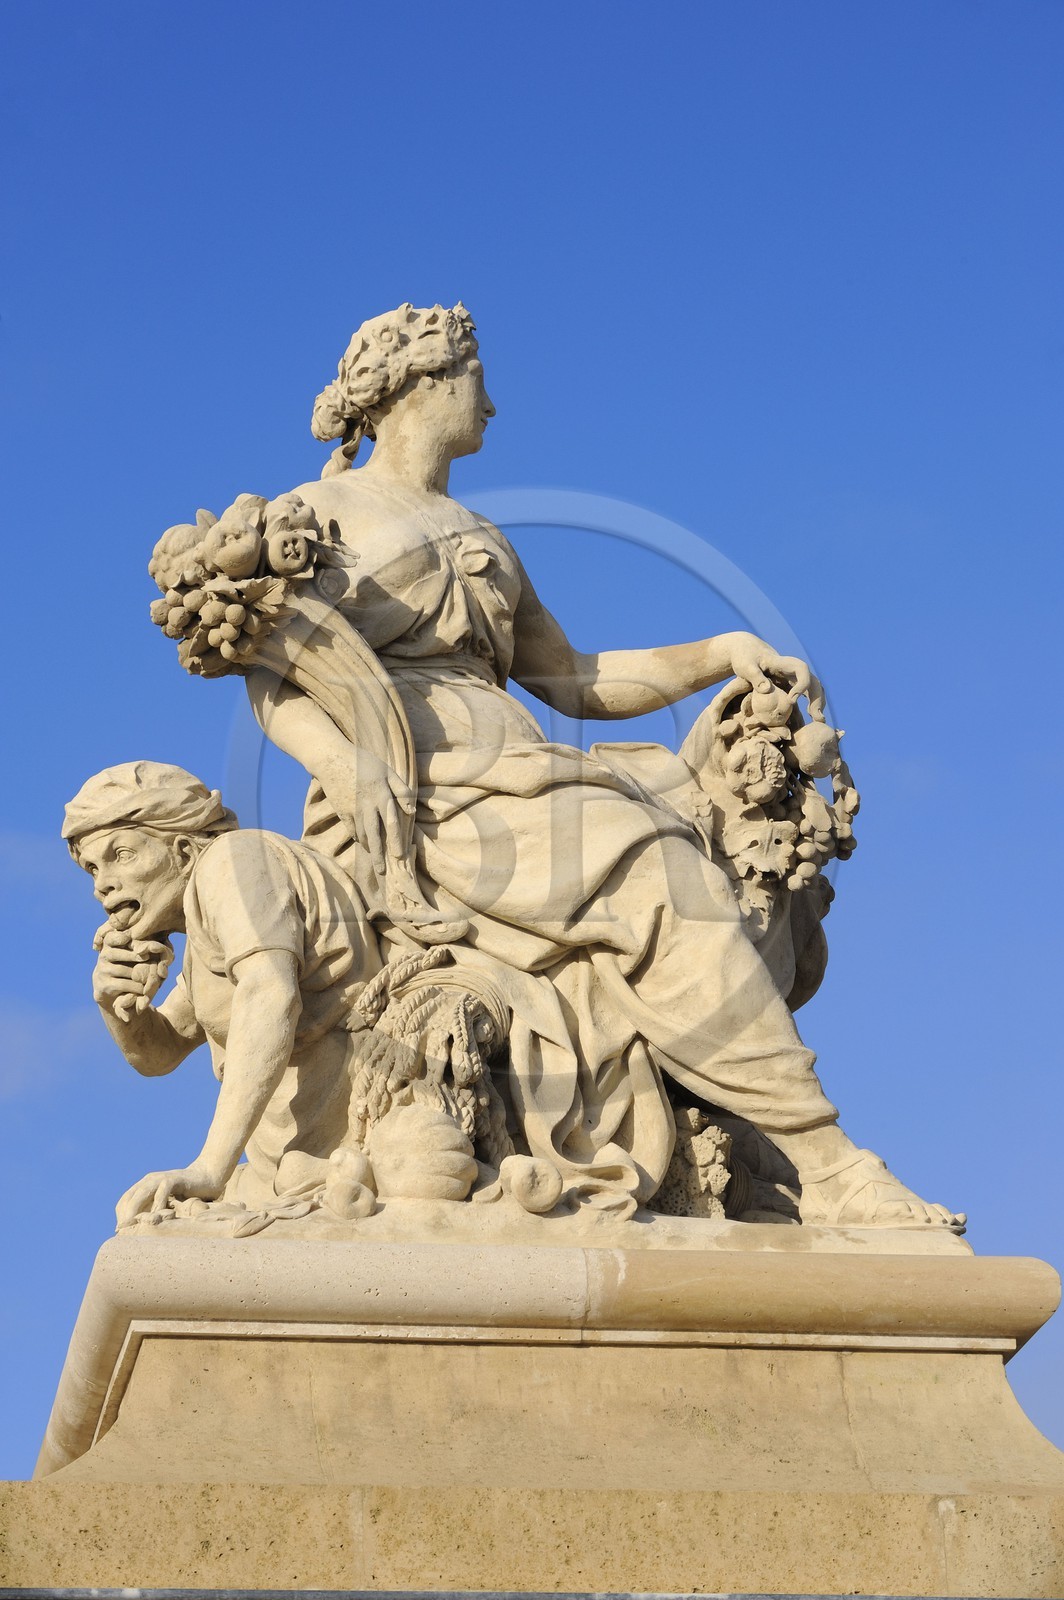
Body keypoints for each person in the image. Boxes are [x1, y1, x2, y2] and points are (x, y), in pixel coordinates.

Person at [236, 302, 963, 1230]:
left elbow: (572, 677)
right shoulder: (319, 516)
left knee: (683, 824)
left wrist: (720, 647)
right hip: (415, 784)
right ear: (422, 382)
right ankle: (829, 1160)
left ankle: (763, 1139)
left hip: (513, 762)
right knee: (657, 872)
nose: (490, 403)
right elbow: (271, 675)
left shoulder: (482, 533)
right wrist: (342, 764)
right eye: (475, 377)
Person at [63, 761, 483, 1227]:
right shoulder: (204, 941)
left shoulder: (234, 864)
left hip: (362, 1132)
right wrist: (116, 1006)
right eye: (91, 868)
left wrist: (209, 1168)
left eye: (121, 855)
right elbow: (160, 1053)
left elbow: (270, 993)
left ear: (182, 850)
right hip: (292, 1161)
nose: (103, 883)